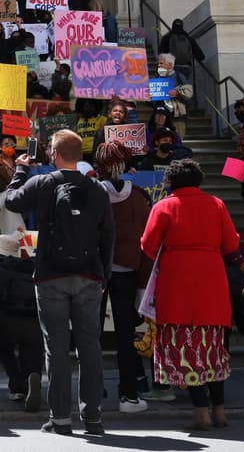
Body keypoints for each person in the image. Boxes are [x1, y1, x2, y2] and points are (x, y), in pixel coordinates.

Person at [5, 130, 114, 436]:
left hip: (51, 274)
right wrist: (104, 273)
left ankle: (61, 419)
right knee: (90, 348)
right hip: (89, 275)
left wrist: (20, 170)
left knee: (56, 348)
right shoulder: (97, 188)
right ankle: (93, 417)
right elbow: (108, 234)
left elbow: (12, 201)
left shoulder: (43, 182)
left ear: (53, 153)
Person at [139, 159, 239, 430]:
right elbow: (231, 244)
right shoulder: (216, 204)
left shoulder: (163, 206)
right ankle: (219, 411)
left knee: (186, 349)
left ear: (170, 181)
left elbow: (148, 246)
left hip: (177, 283)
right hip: (212, 282)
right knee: (213, 349)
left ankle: (200, 412)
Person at [93, 142, 151, 414]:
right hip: (128, 272)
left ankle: (92, 390)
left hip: (95, 272)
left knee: (90, 333)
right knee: (126, 336)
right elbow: (147, 243)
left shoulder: (92, 194)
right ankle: (129, 394)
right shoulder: (139, 197)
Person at [0, 233, 42, 411]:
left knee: (5, 350)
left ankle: (16, 384)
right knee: (30, 353)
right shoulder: (33, 268)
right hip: (33, 320)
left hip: (6, 320)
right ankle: (31, 378)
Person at [157, 19, 203, 87]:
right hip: (186, 67)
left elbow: (161, 53)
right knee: (185, 86)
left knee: (172, 86)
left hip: (171, 67)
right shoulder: (188, 38)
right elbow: (200, 56)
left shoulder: (167, 37)